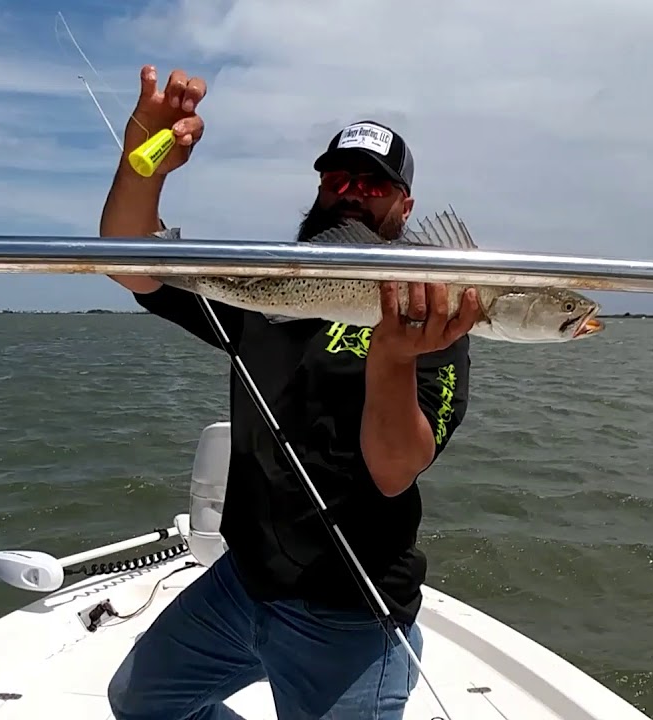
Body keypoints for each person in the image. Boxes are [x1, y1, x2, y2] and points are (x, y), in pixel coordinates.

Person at [99, 65, 482, 720]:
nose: (351, 195)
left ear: (405, 206)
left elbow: (395, 470)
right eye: (338, 180)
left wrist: (392, 353)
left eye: (373, 185)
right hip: (242, 581)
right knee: (142, 701)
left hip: (349, 612)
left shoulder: (433, 318)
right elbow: (129, 262)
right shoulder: (266, 288)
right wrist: (145, 158)